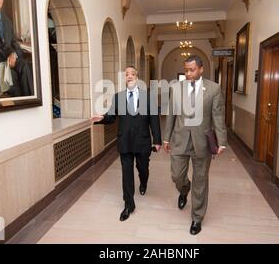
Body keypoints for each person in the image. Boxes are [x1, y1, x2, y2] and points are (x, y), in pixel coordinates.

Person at [164, 56, 227, 235]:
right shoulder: (176, 88)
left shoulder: (213, 89)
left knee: (201, 181)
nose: (188, 74)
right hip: (179, 140)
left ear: (200, 69)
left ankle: (197, 218)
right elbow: (171, 115)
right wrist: (166, 138)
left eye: (192, 70)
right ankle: (184, 190)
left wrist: (221, 141)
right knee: (177, 175)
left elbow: (218, 116)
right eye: (186, 70)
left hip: (202, 143)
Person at [90, 66, 162, 222]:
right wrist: (102, 118)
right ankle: (129, 204)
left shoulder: (147, 97)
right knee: (126, 173)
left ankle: (143, 181)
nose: (129, 76)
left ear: (137, 78)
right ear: (125, 78)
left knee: (143, 167)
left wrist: (157, 140)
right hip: (125, 142)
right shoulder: (118, 97)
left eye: (132, 74)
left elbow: (154, 120)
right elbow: (111, 116)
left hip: (142, 141)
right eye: (127, 75)